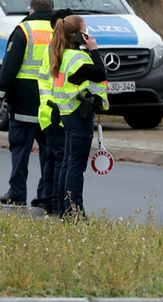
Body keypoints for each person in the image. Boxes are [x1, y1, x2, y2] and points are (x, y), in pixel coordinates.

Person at [0, 0, 57, 208]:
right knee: (49, 152)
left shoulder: (23, 30)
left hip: (23, 101)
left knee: (20, 149)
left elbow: (10, 65)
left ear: (31, 11)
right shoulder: (58, 31)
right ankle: (46, 196)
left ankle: (17, 193)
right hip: (50, 101)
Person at [41, 14, 108, 218]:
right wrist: (94, 50)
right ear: (78, 34)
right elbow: (100, 73)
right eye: (85, 30)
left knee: (69, 164)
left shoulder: (63, 53)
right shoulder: (76, 58)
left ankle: (65, 210)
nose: (88, 34)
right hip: (78, 115)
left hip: (67, 113)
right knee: (75, 167)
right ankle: (74, 212)